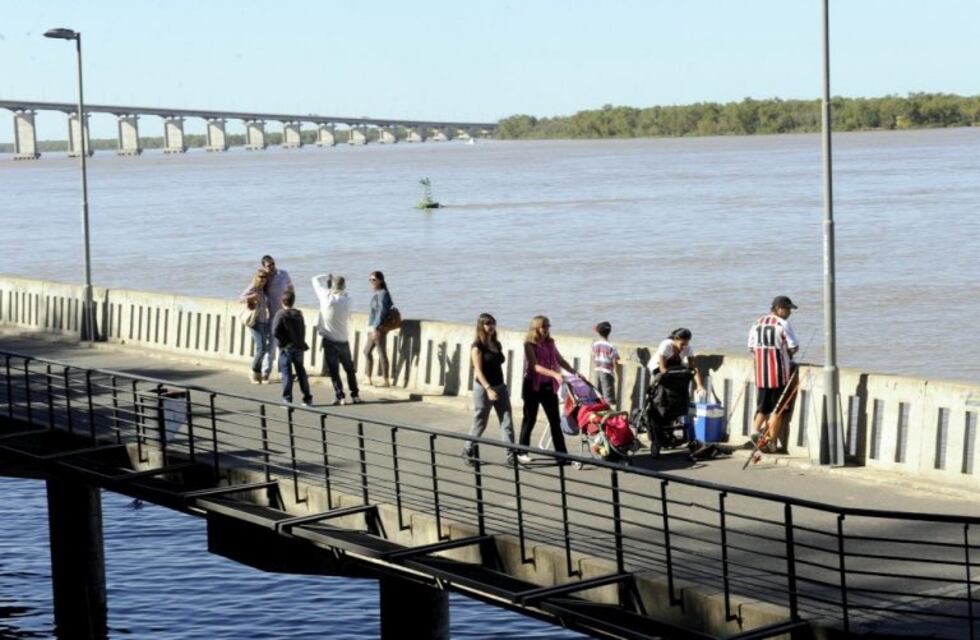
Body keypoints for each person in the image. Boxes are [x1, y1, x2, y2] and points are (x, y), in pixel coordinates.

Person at [517, 315, 579, 464]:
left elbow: (560, 360)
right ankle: (522, 452)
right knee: (529, 419)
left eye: (548, 326)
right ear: (536, 328)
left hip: (548, 387)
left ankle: (561, 454)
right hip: (532, 386)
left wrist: (574, 372)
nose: (546, 329)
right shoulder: (529, 344)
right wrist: (555, 374)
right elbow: (535, 366)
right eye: (543, 326)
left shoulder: (550, 343)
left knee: (555, 421)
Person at [747, 296, 800, 453]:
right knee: (779, 410)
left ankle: (755, 432)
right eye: (787, 309)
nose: (789, 312)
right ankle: (771, 443)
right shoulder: (782, 324)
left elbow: (751, 347)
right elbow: (794, 347)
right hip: (779, 374)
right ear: (778, 308)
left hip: (761, 374)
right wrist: (787, 355)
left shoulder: (757, 322)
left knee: (763, 408)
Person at [462, 313, 516, 466]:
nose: (491, 326)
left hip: (500, 386)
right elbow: (478, 371)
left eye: (493, 323)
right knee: (481, 421)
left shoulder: (496, 344)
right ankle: (468, 449)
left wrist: (500, 388)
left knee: (506, 421)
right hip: (484, 388)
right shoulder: (477, 347)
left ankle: (511, 455)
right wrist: (488, 389)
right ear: (481, 326)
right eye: (488, 324)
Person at [312, 273, 361, 405]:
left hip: (329, 340)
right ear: (344, 286)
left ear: (331, 287)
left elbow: (314, 280)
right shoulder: (348, 300)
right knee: (349, 369)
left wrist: (327, 276)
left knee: (334, 371)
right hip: (343, 340)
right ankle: (355, 395)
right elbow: (344, 296)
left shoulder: (325, 297)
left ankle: (340, 397)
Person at [271, 290, 312, 406]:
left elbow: (275, 331)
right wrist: (299, 342)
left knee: (287, 374)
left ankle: (287, 400)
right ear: (293, 301)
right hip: (298, 347)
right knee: (301, 373)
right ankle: (307, 398)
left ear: (282, 301)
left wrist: (284, 342)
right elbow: (302, 330)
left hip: (286, 348)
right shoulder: (298, 314)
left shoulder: (280, 314)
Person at [260, 255, 294, 381]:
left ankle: (282, 372)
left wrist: (291, 305)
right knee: (271, 346)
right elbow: (257, 292)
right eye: (269, 266)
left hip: (285, 314)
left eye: (273, 264)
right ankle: (265, 372)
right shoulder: (264, 278)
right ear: (264, 267)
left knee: (284, 347)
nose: (272, 267)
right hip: (273, 316)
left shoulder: (283, 274)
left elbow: (291, 288)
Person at [239, 269, 271, 384]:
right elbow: (241, 298)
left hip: (263, 321)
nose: (263, 279)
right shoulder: (253, 287)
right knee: (261, 348)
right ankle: (253, 372)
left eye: (265, 277)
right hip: (255, 322)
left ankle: (257, 373)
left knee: (263, 348)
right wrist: (252, 296)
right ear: (256, 277)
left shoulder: (262, 289)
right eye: (260, 277)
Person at [651, 328, 706, 394]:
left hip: (673, 368)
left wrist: (699, 385)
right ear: (675, 340)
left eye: (686, 344)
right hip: (657, 367)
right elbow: (662, 369)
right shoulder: (666, 345)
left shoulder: (687, 348)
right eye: (682, 344)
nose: (684, 347)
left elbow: (693, 368)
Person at [364, 270, 393, 387]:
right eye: (370, 279)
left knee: (381, 353)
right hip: (373, 328)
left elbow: (382, 312)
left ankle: (386, 381)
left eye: (374, 280)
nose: (371, 281)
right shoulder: (377, 293)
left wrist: (375, 328)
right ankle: (368, 378)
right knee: (367, 352)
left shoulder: (383, 294)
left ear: (380, 280)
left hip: (379, 328)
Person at [591, 321, 620, 406]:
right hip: (607, 373)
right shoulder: (611, 346)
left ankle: (599, 410)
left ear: (599, 333)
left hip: (597, 371)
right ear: (609, 332)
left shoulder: (595, 344)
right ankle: (608, 412)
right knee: (608, 397)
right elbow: (615, 361)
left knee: (598, 395)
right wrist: (617, 375)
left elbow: (593, 357)